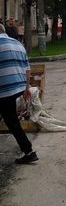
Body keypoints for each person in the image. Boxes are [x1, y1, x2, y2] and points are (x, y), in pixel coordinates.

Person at [0, 23, 39, 164]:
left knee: (11, 120)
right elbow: (27, 68)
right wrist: (26, 88)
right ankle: (28, 151)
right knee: (12, 121)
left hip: (4, 89)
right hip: (17, 87)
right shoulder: (17, 43)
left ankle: (28, 151)